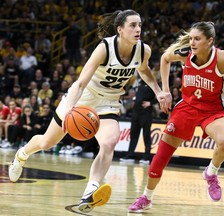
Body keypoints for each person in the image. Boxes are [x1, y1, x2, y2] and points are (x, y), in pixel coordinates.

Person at [8, 9, 171, 214]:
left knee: (109, 142)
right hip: (83, 98)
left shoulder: (142, 50)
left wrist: (158, 91)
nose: (138, 29)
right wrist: (69, 110)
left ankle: (89, 192)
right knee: (47, 142)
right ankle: (22, 155)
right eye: (132, 25)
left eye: (139, 25)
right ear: (120, 29)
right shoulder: (104, 48)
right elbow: (80, 82)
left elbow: (144, 70)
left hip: (109, 102)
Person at [128, 21, 224, 213]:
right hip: (187, 107)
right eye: (191, 38)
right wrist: (165, 91)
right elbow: (164, 58)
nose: (192, 43)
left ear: (209, 41)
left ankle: (211, 173)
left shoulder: (222, 58)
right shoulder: (186, 53)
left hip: (213, 110)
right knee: (161, 157)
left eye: (197, 39)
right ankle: (146, 197)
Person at [120, 79, 156, 165]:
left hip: (146, 113)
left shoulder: (153, 83)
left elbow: (160, 96)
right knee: (133, 134)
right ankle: (130, 155)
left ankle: (146, 157)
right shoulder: (139, 84)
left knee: (146, 135)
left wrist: (150, 103)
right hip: (136, 113)